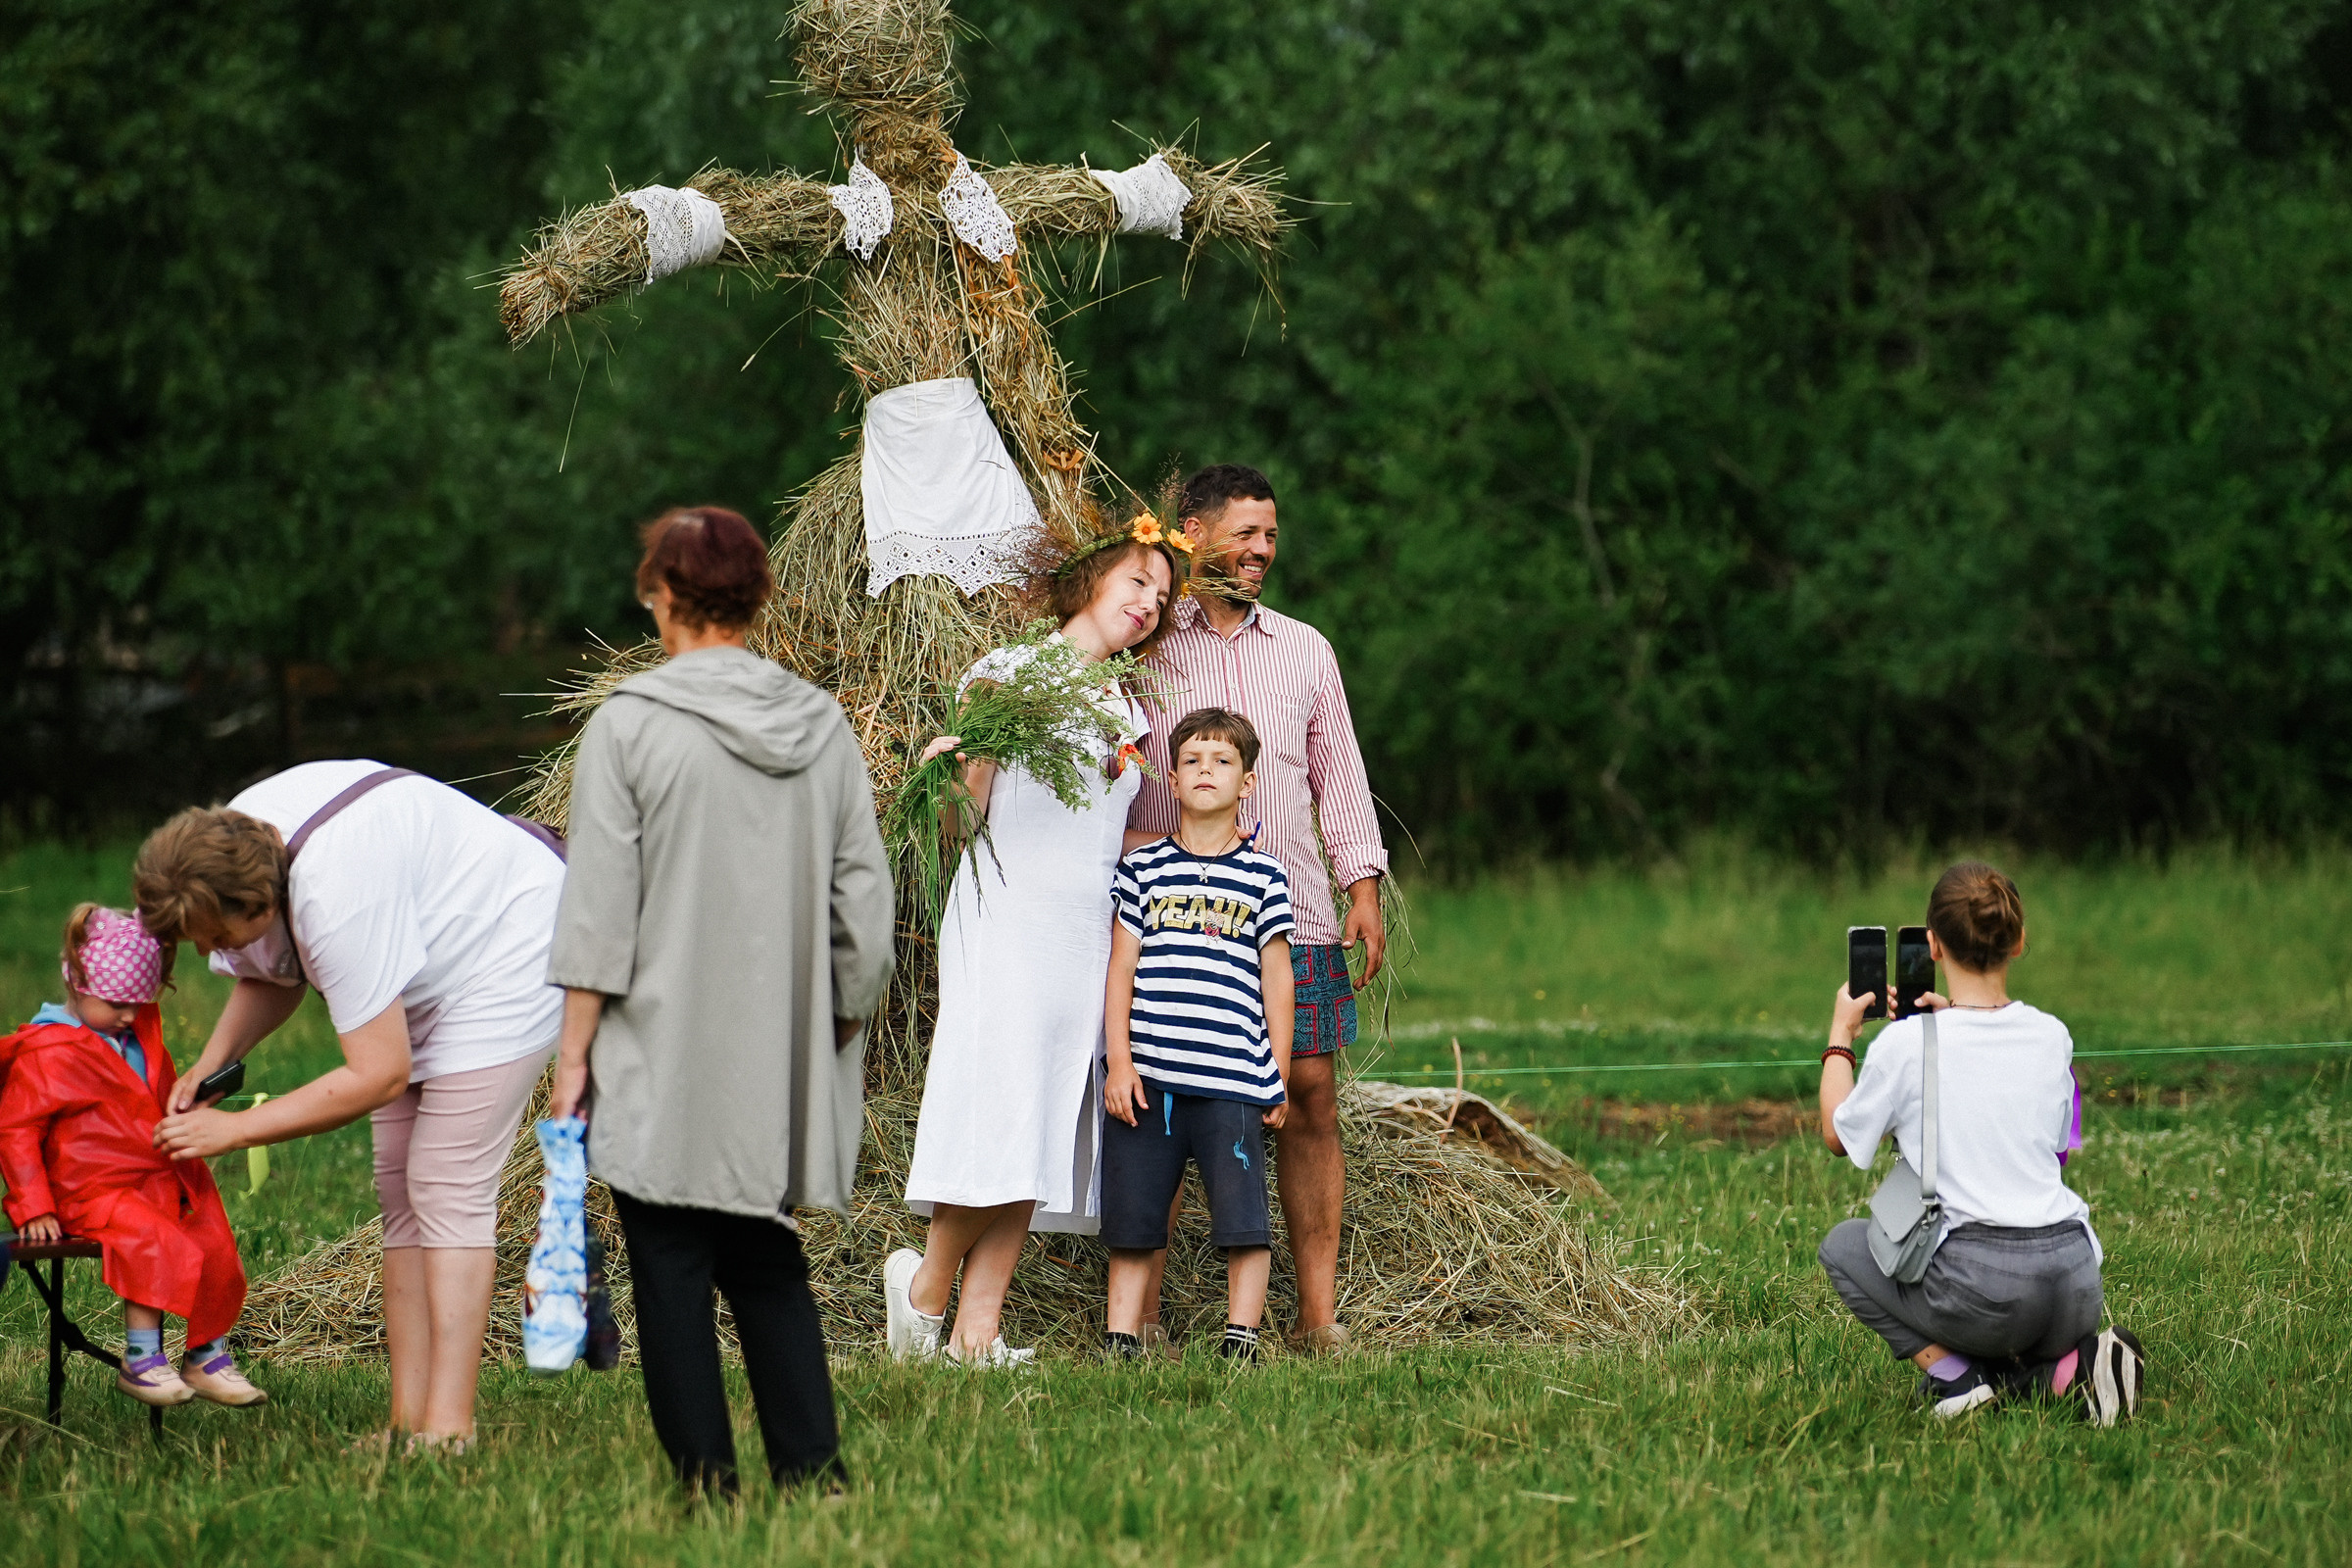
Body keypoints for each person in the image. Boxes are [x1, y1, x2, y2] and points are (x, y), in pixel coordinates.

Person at [547, 506, 895, 1499]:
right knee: (765, 1253)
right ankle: (814, 1471)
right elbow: (862, 902)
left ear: (661, 595)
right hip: (777, 1046)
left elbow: (599, 915)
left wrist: (574, 1061)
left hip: (657, 1040)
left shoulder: (628, 726)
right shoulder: (821, 724)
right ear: (756, 597)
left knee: (668, 1264)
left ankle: (707, 1484)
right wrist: (840, 1014)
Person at [135, 754, 568, 1451]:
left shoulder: (335, 896)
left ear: (262, 904)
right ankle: (406, 1424)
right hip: (424, 953)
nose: (215, 956)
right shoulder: (235, 849)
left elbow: (378, 1075)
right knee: (401, 1186)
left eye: (217, 939)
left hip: (511, 945)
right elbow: (274, 971)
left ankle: (450, 1429)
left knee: (446, 1181)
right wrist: (210, 1068)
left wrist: (236, 1130)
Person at [886, 518, 1186, 1365]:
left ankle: (979, 1330)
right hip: (1005, 918)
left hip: (1081, 932)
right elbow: (958, 827)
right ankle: (924, 1295)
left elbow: (1105, 832)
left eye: (1160, 597)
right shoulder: (1007, 676)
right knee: (1001, 1108)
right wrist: (960, 768)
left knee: (1049, 1117)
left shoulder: (1126, 709)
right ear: (1090, 578)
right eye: (1136, 582)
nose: (1147, 604)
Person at [1124, 463, 1387, 1354]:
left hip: (1290, 906)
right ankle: (1144, 1319)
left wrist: (1361, 885)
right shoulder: (1147, 637)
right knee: (1157, 1094)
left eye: (1271, 535)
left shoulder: (1306, 648)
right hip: (1166, 913)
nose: (1263, 551)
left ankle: (1318, 1320)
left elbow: (1338, 775)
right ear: (1191, 532)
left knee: (1308, 1093)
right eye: (1246, 533)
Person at [1816, 861, 2147, 1424]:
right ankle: (2063, 1373)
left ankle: (1957, 1377)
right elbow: (2056, 1147)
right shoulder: (2052, 1036)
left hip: (1986, 1292)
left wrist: (1841, 1036)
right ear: (2018, 942)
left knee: (1845, 1247)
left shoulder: (1906, 1045)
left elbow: (1837, 1136)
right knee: (2029, 1335)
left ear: (1934, 948)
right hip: (2074, 1283)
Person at [0, 906, 266, 1408]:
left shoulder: (139, 1039)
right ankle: (141, 1358)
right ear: (76, 984)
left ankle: (206, 1353)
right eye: (117, 1003)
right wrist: (33, 1203)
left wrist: (187, 1103)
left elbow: (154, 1097)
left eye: (139, 1004)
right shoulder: (49, 1050)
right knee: (152, 1238)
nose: (129, 1015)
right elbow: (17, 1130)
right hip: (88, 1189)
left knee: (211, 1234)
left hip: (154, 1174)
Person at [1101, 708, 1294, 1363]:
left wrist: (1280, 1075)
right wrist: (1119, 1064)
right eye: (1191, 760)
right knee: (1133, 1222)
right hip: (1148, 1083)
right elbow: (1120, 969)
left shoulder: (1264, 875)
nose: (1206, 769)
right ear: (1173, 783)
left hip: (1234, 1081)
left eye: (1222, 760)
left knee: (1244, 1221)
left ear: (1247, 783)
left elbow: (1277, 980)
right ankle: (1121, 1339)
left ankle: (1242, 1339)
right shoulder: (1145, 869)